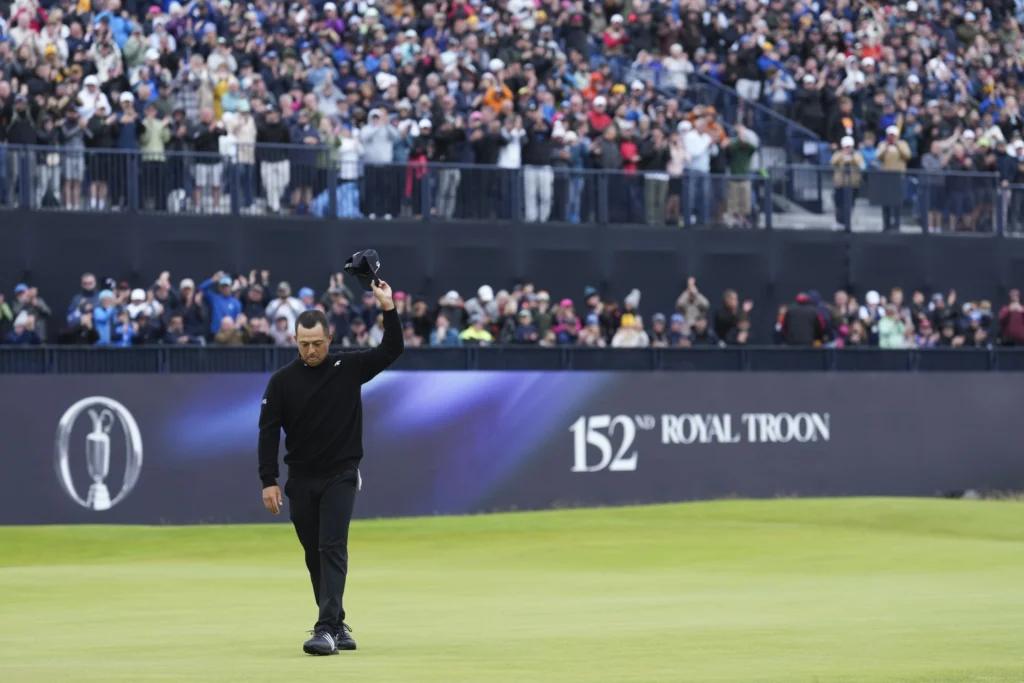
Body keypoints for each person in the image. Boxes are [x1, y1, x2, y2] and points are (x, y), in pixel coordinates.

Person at [257, 279, 403, 656]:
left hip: (341, 473)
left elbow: (392, 349)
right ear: (295, 339)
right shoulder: (281, 382)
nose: (311, 350)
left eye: (317, 343)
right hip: (301, 480)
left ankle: (324, 629)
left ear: (329, 336)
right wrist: (268, 480)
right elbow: (268, 431)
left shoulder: (348, 366)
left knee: (331, 545)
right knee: (312, 552)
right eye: (304, 344)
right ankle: (337, 623)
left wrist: (387, 307)